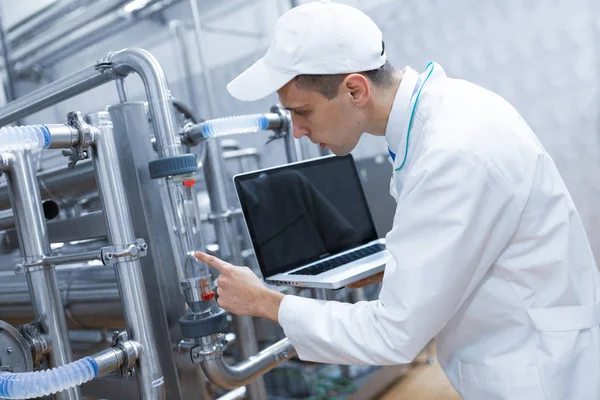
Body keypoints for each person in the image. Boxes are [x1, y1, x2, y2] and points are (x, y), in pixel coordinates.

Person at [195, 1, 600, 399]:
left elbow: (393, 334)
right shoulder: (445, 111)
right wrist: (393, 264)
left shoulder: (453, 151)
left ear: (355, 89)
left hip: (538, 373)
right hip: (524, 348)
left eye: (303, 111)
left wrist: (265, 302)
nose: (297, 131)